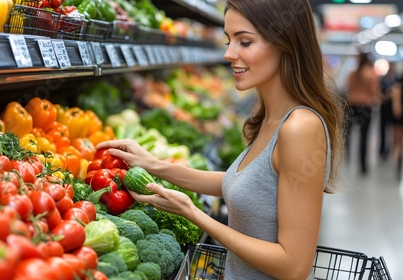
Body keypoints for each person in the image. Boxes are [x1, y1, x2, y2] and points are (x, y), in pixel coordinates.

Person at [97, 0, 345, 278]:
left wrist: (194, 213)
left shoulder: (300, 128)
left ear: (284, 42)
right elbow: (245, 184)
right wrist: (154, 165)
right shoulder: (272, 117)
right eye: (229, 40)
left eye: (245, 42)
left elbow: (293, 266)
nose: (228, 53)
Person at [344, 52, 380, 174]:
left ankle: (346, 158)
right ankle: (363, 165)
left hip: (352, 105)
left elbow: (348, 89)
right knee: (364, 136)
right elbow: (374, 93)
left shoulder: (352, 74)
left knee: (348, 133)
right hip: (365, 107)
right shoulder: (371, 75)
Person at [379, 62, 398, 161]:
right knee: (382, 129)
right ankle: (382, 150)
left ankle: (391, 149)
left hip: (393, 108)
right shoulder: (383, 79)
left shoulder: (396, 79)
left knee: (393, 130)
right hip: (384, 107)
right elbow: (379, 93)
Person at [390, 72, 403, 179]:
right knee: (397, 139)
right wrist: (396, 105)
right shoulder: (399, 78)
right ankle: (397, 160)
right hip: (400, 114)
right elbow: (396, 93)